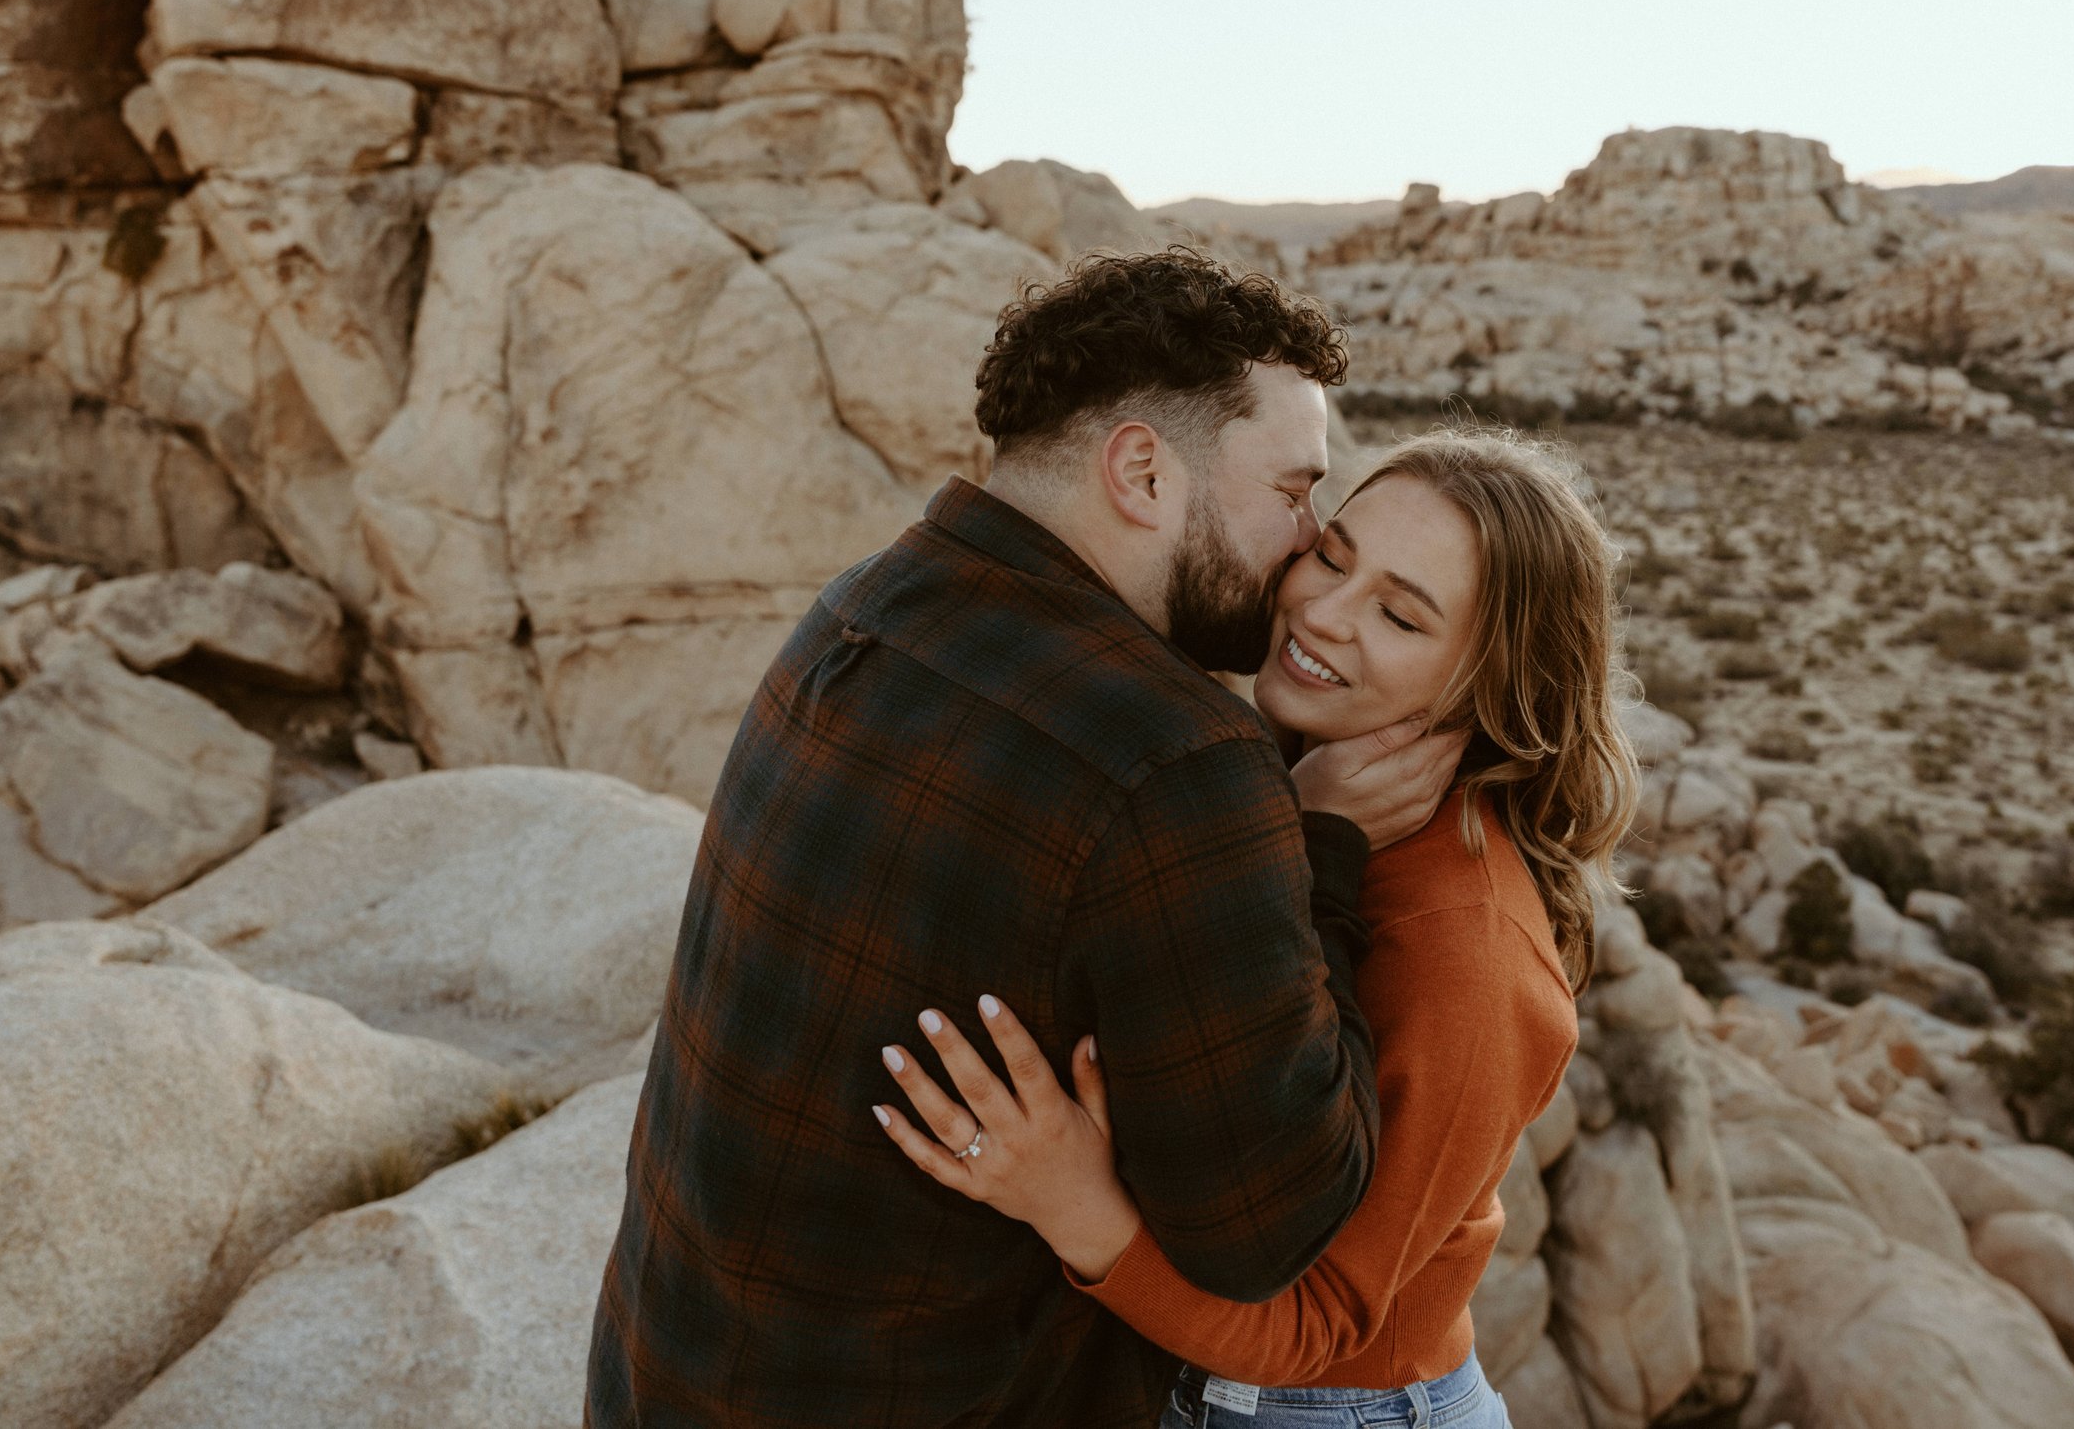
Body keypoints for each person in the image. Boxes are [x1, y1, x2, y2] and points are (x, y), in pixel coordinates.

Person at [585, 249, 1467, 1428]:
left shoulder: (861, 602)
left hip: (666, 1377)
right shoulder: (1177, 758)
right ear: (1143, 472)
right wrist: (1329, 849)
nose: (1306, 545)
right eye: (1294, 492)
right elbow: (1271, 1227)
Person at [877, 429, 1639, 1429]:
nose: (1322, 612)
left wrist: (1070, 1201)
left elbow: (1318, 1325)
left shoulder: (1473, 956)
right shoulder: (1290, 787)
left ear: (1489, 687)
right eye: (1333, 553)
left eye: (1401, 615)